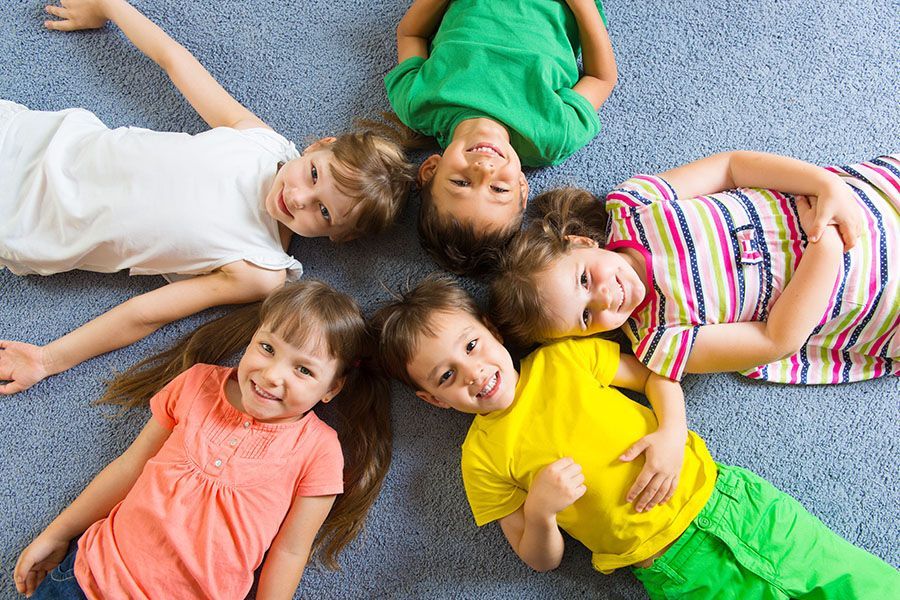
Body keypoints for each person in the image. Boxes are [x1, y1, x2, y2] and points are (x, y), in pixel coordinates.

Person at [372, 275, 900, 598]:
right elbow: (538, 560)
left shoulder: (563, 358)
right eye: (445, 377)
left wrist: (672, 433)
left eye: (471, 346)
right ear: (434, 401)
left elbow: (656, 373)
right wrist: (540, 511)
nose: (472, 373)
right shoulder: (481, 459)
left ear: (490, 330)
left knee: (855, 580)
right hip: (673, 566)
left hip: (731, 501)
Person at [0, 0, 415, 395]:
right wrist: (111, 7)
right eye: (313, 175)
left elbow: (146, 314)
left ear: (338, 237)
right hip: (38, 141)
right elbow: (175, 62)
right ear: (318, 146)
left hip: (31, 221)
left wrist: (47, 359)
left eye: (323, 212)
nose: (299, 198)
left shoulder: (260, 267)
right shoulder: (262, 143)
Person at [13, 280, 392, 599]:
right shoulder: (197, 383)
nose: (273, 374)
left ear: (331, 389)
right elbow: (129, 466)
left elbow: (290, 552)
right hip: (90, 577)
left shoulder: (319, 450)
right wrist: (57, 533)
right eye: (267, 348)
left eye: (304, 370)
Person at [490, 151, 899, 384]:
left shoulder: (634, 206)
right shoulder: (659, 341)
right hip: (871, 294)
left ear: (579, 242)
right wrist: (824, 246)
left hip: (863, 202)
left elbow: (732, 167)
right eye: (585, 317)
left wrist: (825, 186)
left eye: (583, 279)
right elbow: (776, 340)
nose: (604, 298)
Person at [385, 0, 617, 275]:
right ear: (521, 188)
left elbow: (411, 34)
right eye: (498, 189)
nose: (483, 169)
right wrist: (583, 5)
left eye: (461, 182)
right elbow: (601, 78)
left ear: (430, 169)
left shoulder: (419, 104)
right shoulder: (552, 134)